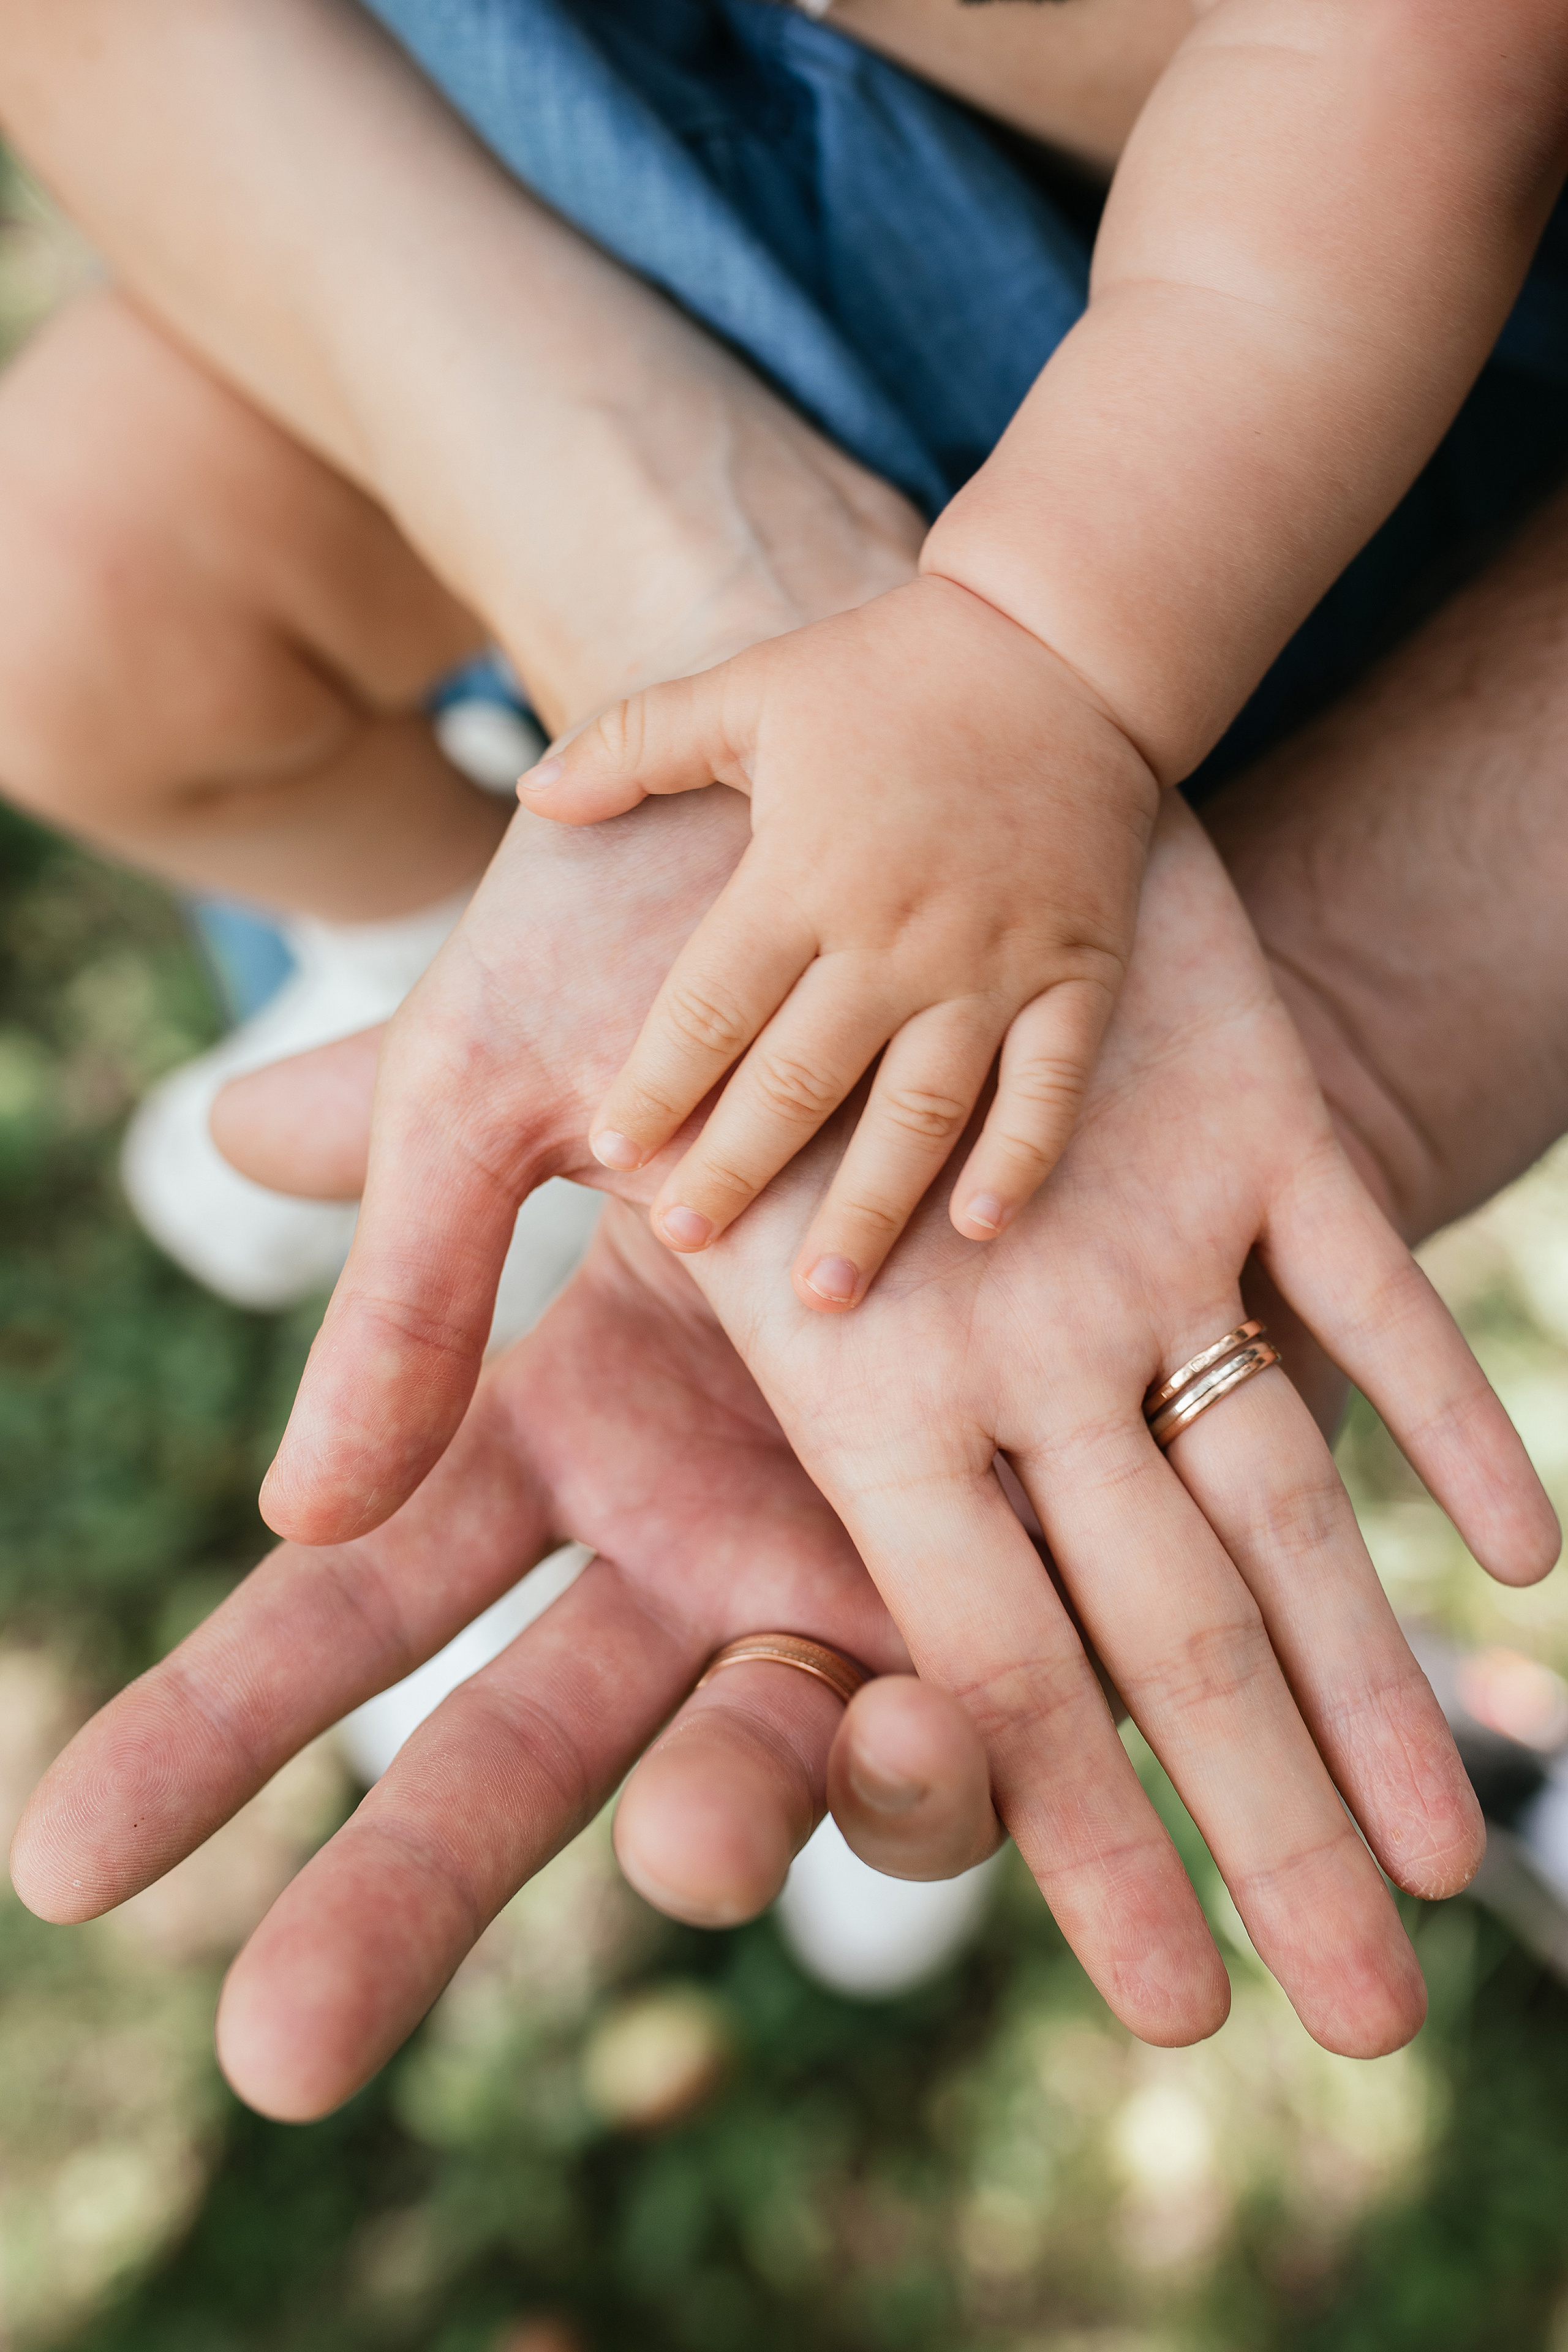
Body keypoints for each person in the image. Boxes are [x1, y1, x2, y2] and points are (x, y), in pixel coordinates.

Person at [0, 0, 1560, 2079]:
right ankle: (455, 968)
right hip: (585, 244)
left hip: (1226, 433)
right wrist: (698, 601)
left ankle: (793, 1320)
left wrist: (1042, 659)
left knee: (974, 1358)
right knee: (58, 593)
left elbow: (1427, 50)